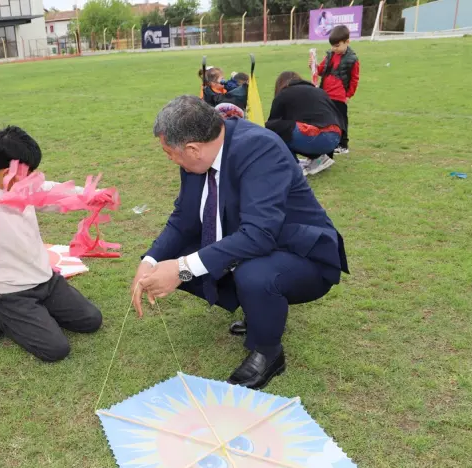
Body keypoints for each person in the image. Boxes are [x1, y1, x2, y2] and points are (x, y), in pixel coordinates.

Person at [131, 96, 348, 389]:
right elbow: (184, 218)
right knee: (184, 257)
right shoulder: (199, 157)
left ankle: (269, 352)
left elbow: (259, 234)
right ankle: (257, 310)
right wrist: (151, 261)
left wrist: (181, 269)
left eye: (170, 153)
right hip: (257, 241)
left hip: (303, 253)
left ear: (193, 148)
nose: (170, 159)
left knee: (253, 275)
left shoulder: (261, 149)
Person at [0, 126, 102, 362]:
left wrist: (90, 195)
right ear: (9, 172)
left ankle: (37, 312)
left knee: (91, 320)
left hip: (45, 279)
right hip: (7, 290)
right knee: (56, 349)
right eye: (28, 173)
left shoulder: (24, 187)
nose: (32, 179)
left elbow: (55, 193)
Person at [266, 71, 345, 176]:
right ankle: (319, 159)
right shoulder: (320, 92)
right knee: (293, 127)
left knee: (274, 127)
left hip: (314, 137)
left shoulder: (284, 93)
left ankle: (294, 165)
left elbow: (272, 124)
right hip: (335, 138)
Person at [311, 24, 360, 155]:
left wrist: (348, 95)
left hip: (340, 97)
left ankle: (343, 144)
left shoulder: (352, 59)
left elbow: (354, 79)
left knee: (341, 121)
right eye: (332, 45)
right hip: (326, 95)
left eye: (337, 45)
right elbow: (321, 70)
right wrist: (314, 67)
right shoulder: (330, 55)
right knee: (328, 120)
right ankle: (329, 142)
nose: (334, 48)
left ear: (347, 42)